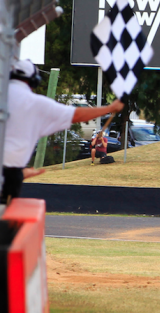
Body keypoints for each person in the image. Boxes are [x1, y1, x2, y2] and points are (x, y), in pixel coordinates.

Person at [2, 59, 124, 204]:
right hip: (9, 173)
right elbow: (76, 115)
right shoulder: (35, 103)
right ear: (34, 81)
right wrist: (109, 109)